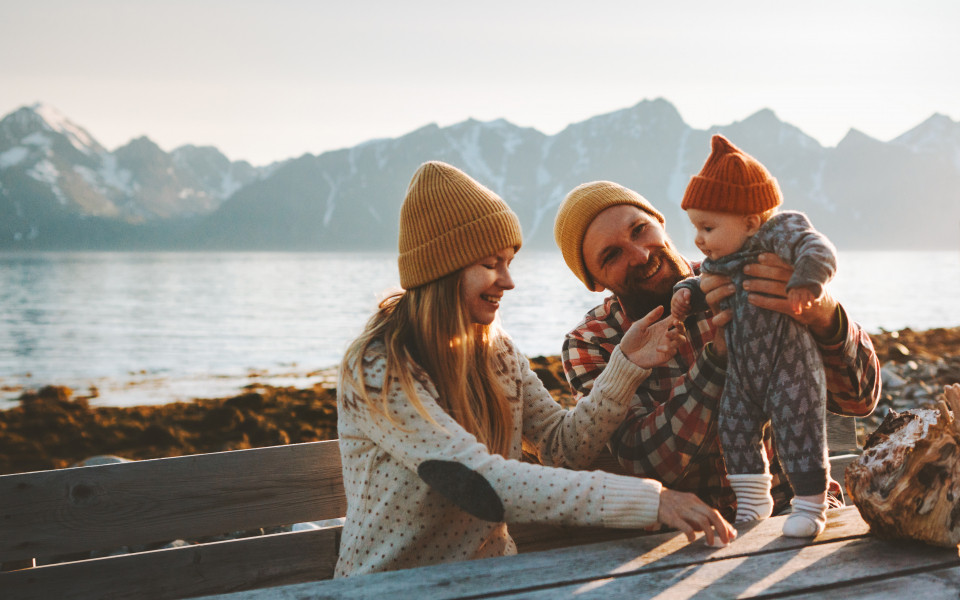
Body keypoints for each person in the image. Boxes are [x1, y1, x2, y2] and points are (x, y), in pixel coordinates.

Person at [335, 161, 735, 577]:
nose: (508, 282)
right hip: (392, 587)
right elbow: (474, 479)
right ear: (444, 268)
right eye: (492, 264)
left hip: (495, 580)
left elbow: (564, 447)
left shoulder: (496, 351)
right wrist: (652, 499)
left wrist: (626, 365)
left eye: (509, 262)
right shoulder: (379, 365)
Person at [553, 155, 881, 526]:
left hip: (798, 510)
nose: (640, 254)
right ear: (594, 281)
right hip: (686, 535)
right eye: (612, 254)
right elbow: (645, 463)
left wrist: (823, 313)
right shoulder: (593, 342)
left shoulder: (755, 272)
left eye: (639, 230)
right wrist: (716, 361)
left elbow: (860, 400)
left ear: (661, 223)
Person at [670, 134, 838, 537]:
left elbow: (818, 248)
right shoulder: (721, 261)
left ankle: (811, 506)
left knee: (799, 429)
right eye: (695, 228)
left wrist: (807, 283)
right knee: (734, 427)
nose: (698, 239)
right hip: (743, 374)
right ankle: (753, 500)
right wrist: (683, 294)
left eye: (707, 227)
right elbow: (700, 282)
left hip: (788, 365)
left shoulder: (778, 234)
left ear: (749, 221)